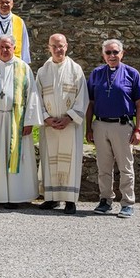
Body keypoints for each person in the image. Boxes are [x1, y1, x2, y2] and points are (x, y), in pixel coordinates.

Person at [0, 35, 42, 207]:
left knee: (14, 156)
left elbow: (32, 95)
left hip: (15, 121)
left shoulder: (23, 68)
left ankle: (15, 197)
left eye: (7, 47)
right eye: (1, 47)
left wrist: (29, 121)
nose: (4, 50)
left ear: (14, 47)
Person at [86, 39, 140, 219]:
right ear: (103, 55)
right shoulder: (96, 74)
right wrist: (88, 128)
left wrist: (139, 129)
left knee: (125, 166)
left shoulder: (132, 74)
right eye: (108, 53)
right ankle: (105, 200)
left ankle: (127, 202)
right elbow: (91, 103)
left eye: (115, 52)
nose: (112, 56)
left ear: (122, 53)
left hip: (122, 126)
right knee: (103, 166)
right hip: (101, 125)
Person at [36, 34, 88, 215]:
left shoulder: (76, 70)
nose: (59, 49)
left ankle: (70, 200)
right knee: (50, 160)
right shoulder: (43, 71)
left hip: (70, 125)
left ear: (67, 46)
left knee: (69, 160)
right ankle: (51, 198)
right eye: (55, 46)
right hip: (49, 126)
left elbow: (83, 98)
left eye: (61, 46)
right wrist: (46, 117)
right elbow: (36, 97)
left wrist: (69, 117)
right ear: (49, 48)